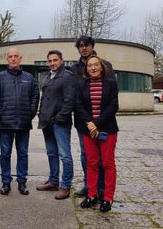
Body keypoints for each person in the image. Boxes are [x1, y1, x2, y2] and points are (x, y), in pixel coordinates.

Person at [0, 48, 39, 196]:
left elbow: (35, 97)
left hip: (23, 123)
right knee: (5, 153)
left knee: (23, 153)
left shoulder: (29, 78)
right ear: (7, 59)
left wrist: (30, 113)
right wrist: (0, 113)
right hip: (6, 123)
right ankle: (6, 182)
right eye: (10, 56)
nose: (13, 59)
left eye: (16, 56)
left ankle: (22, 182)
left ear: (20, 58)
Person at [70, 36, 114, 199]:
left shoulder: (106, 65)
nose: (84, 48)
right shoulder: (74, 68)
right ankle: (89, 186)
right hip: (83, 121)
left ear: (92, 46)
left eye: (86, 45)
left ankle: (102, 187)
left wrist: (98, 121)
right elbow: (74, 96)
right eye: (80, 46)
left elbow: (111, 95)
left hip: (103, 121)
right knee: (86, 155)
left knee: (104, 157)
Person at [75, 55, 119, 212]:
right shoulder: (81, 84)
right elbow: (78, 106)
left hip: (107, 129)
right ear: (86, 69)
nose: (93, 68)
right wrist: (90, 124)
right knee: (91, 163)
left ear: (101, 67)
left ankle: (107, 198)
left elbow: (113, 106)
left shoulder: (111, 84)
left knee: (107, 163)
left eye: (95, 65)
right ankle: (92, 195)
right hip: (88, 130)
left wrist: (96, 123)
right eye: (89, 65)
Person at [36, 50, 76, 200]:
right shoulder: (47, 77)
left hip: (60, 123)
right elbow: (44, 98)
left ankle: (65, 186)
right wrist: (41, 114)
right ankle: (53, 181)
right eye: (50, 61)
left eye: (55, 60)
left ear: (61, 61)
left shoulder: (67, 77)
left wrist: (59, 118)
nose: (52, 63)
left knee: (65, 155)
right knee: (51, 153)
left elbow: (69, 101)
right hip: (46, 122)